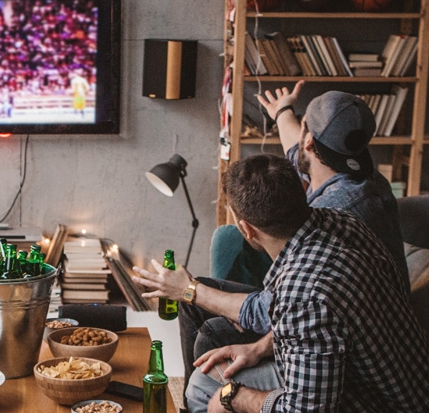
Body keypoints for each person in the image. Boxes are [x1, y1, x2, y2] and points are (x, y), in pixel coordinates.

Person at [182, 154, 429, 413]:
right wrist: (261, 345)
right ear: (302, 192)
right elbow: (324, 317)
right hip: (347, 385)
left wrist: (233, 396)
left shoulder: (304, 291)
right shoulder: (340, 223)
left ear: (246, 230)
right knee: (202, 385)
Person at [135, 82, 409, 385]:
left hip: (341, 331)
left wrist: (188, 290)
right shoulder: (355, 171)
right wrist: (282, 111)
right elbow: (297, 147)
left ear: (310, 142)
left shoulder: (338, 215)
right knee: (196, 302)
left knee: (206, 320)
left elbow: (274, 309)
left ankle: (199, 401)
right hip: (323, 305)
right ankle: (190, 405)